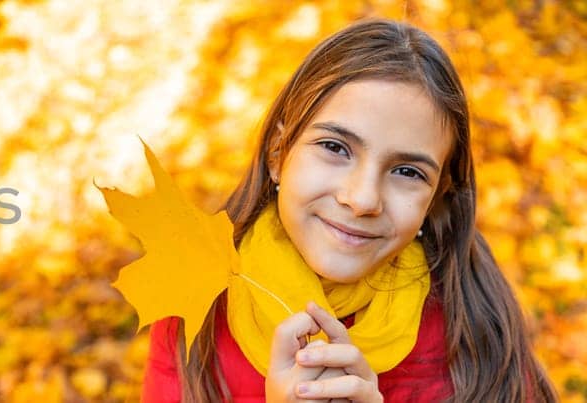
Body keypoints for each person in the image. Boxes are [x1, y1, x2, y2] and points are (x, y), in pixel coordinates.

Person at [140, 19, 558, 402]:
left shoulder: (476, 333)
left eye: (407, 171)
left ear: (437, 197)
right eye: (335, 148)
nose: (361, 200)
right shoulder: (200, 311)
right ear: (277, 153)